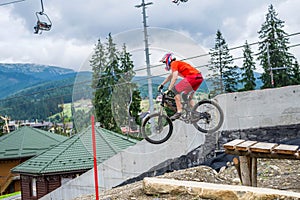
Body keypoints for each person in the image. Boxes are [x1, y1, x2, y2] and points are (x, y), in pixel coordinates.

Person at [158, 53, 203, 120]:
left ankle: (179, 112)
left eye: (165, 62)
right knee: (185, 96)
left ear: (168, 60)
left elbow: (175, 77)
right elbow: (170, 76)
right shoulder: (177, 64)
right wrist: (162, 84)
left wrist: (169, 89)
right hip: (199, 78)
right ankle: (196, 113)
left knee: (175, 90)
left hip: (192, 77)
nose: (165, 64)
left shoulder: (174, 63)